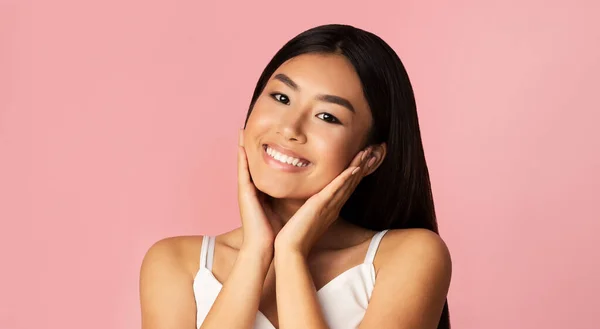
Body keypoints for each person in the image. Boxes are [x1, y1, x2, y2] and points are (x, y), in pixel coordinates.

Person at [139, 24, 452, 329]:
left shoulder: (410, 257)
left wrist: (290, 254)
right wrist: (256, 253)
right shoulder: (174, 263)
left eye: (327, 117)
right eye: (281, 98)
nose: (289, 128)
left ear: (370, 158)